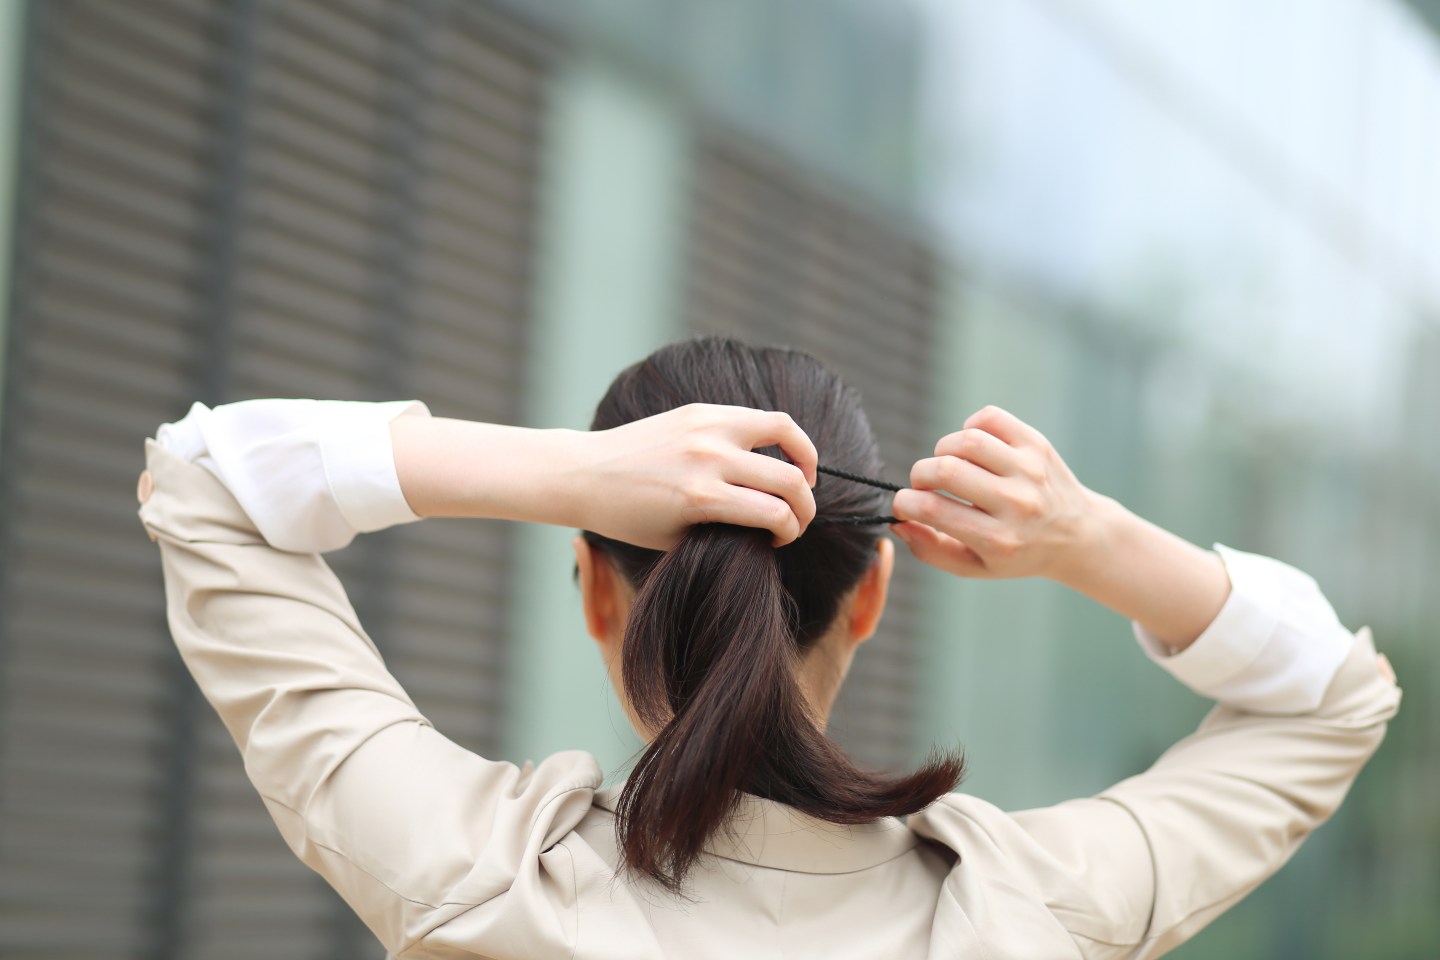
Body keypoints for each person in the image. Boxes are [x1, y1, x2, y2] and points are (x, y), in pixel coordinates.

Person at [138, 337, 1399, 959]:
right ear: (870, 597)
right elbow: (1333, 700)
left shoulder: (483, 880)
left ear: (593, 588)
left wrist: (570, 473)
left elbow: (205, 478)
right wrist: (1086, 536)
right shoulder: (1028, 909)